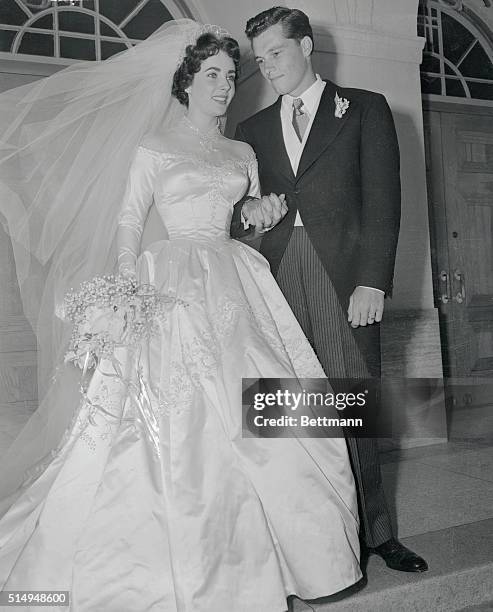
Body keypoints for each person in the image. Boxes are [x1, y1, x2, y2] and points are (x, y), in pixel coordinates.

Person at [0, 20, 362, 611]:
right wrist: (124, 285)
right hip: (167, 280)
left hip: (237, 278)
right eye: (211, 75)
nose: (224, 85)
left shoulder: (241, 150)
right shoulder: (154, 148)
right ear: (186, 82)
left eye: (228, 75)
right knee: (176, 420)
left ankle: (300, 554)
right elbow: (127, 218)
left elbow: (244, 213)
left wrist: (260, 211)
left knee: (271, 401)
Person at [233, 6, 428, 573]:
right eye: (261, 58)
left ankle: (377, 534)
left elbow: (384, 202)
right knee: (283, 407)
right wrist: (253, 215)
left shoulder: (365, 108)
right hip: (275, 279)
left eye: (277, 53)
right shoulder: (252, 131)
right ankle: (303, 538)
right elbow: (237, 219)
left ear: (307, 45)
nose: (268, 68)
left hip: (345, 279)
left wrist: (374, 279)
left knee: (353, 402)